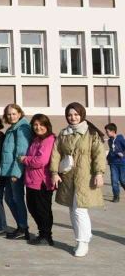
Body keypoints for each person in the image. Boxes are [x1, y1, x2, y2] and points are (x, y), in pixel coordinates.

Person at [50, 102, 107, 258]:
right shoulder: (63, 133)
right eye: (69, 115)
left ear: (82, 114)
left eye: (76, 114)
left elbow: (99, 155)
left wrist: (99, 173)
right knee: (72, 209)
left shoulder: (91, 133)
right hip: (68, 177)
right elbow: (56, 154)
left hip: (85, 176)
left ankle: (82, 242)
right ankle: (84, 237)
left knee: (80, 209)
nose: (73, 117)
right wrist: (54, 172)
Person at [21, 114, 56, 246]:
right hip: (31, 180)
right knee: (33, 208)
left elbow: (41, 161)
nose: (38, 127)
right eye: (35, 125)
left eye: (41, 124)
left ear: (47, 126)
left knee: (43, 209)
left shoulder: (49, 139)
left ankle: (46, 236)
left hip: (42, 182)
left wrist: (25, 159)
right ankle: (42, 233)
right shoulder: (36, 140)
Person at [0, 104, 33, 240]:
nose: (11, 116)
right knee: (9, 198)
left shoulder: (22, 128)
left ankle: (23, 228)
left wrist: (16, 172)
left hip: (15, 171)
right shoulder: (12, 128)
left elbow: (21, 152)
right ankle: (21, 226)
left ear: (19, 114)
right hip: (9, 171)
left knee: (17, 199)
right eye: (9, 114)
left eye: (14, 113)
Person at [104, 123, 125, 202]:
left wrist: (122, 154)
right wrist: (108, 158)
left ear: (113, 131)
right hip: (113, 164)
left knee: (122, 180)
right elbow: (111, 151)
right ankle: (116, 196)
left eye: (107, 131)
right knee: (114, 180)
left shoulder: (120, 139)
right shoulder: (109, 141)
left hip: (122, 163)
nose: (106, 133)